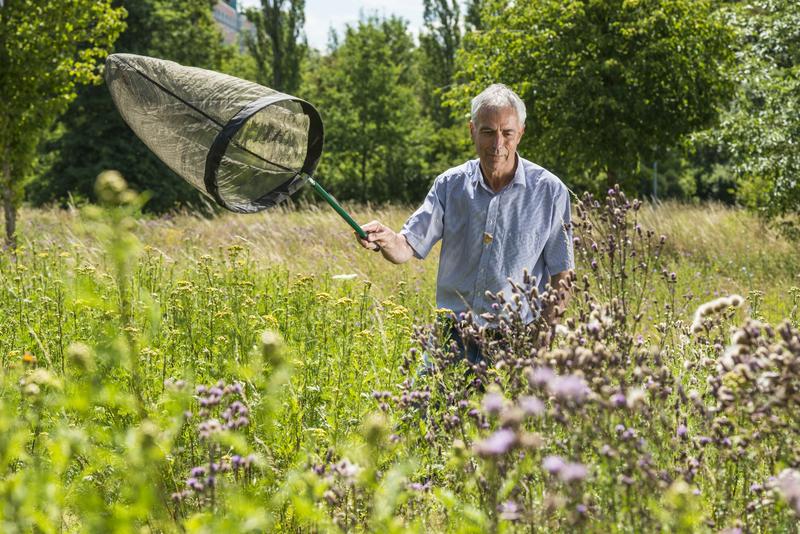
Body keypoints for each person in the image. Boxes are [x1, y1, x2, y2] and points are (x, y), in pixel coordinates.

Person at [357, 83, 574, 362]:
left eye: (507, 133)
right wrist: (385, 238)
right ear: (472, 130)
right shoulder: (450, 185)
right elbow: (405, 247)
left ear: (520, 133)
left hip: (516, 340)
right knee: (423, 406)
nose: (497, 144)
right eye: (487, 132)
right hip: (451, 337)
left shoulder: (550, 191)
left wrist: (539, 342)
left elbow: (562, 276)